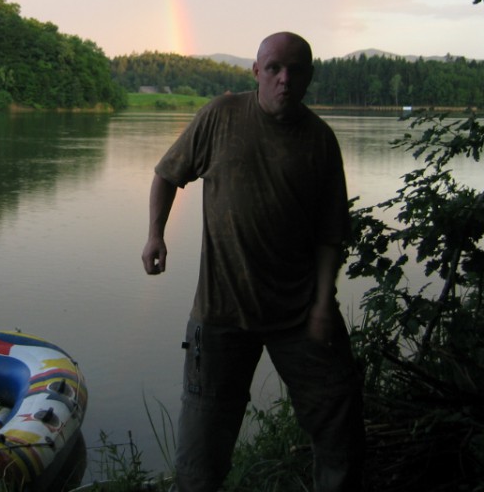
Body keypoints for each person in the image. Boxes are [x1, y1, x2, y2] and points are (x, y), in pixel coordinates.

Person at [141, 32, 364, 492]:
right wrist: (155, 235)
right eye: (274, 69)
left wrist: (324, 303)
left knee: (340, 429)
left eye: (296, 70)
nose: (285, 80)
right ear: (256, 72)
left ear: (309, 77)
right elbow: (166, 174)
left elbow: (330, 235)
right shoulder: (220, 117)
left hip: (301, 314)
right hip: (221, 315)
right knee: (200, 459)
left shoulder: (320, 141)